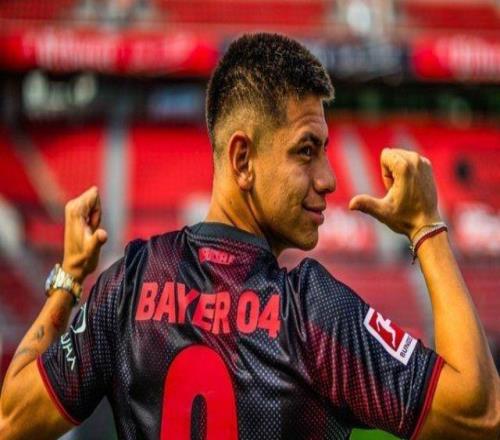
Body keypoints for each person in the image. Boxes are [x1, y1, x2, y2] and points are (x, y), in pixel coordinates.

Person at [0, 33, 499, 440]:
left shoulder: (128, 284)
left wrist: (69, 278)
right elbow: (480, 415)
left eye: (326, 151)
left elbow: (13, 419)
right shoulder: (313, 314)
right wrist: (426, 227)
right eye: (306, 151)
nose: (329, 178)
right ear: (243, 159)